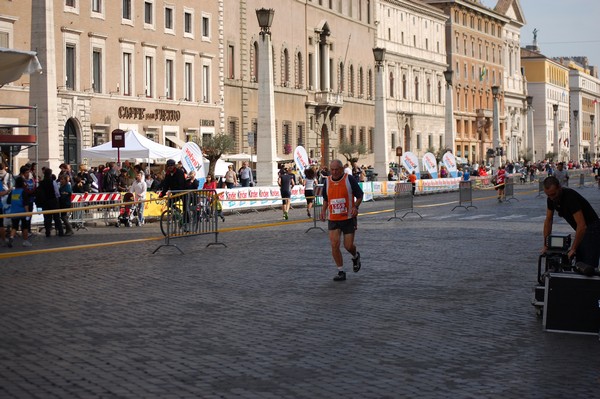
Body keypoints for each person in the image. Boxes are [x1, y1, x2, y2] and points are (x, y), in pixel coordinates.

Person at [543, 175, 600, 272]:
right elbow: (548, 220)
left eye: (553, 194)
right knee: (579, 265)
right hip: (583, 231)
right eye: (548, 195)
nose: (551, 198)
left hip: (592, 229)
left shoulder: (570, 197)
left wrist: (573, 248)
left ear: (559, 188)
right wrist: (546, 244)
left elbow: (582, 225)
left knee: (587, 267)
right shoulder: (551, 199)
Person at [320, 159, 363, 281]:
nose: (334, 172)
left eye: (336, 170)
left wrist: (355, 206)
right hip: (333, 218)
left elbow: (360, 195)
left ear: (342, 169)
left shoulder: (349, 179)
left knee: (348, 246)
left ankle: (355, 256)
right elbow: (326, 199)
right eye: (332, 170)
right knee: (334, 244)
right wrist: (323, 211)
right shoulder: (327, 181)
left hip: (348, 217)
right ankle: (341, 271)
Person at [36, 169, 64, 237]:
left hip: (45, 202)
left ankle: (47, 232)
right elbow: (57, 192)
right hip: (53, 201)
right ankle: (60, 231)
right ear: (50, 174)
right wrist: (58, 199)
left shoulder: (41, 183)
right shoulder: (53, 182)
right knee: (56, 217)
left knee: (47, 218)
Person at [7, 176, 32, 248]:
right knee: (24, 227)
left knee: (14, 226)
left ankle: (11, 237)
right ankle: (25, 241)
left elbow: (8, 201)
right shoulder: (23, 192)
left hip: (14, 211)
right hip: (22, 212)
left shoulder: (13, 192)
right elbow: (25, 204)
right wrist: (28, 213)